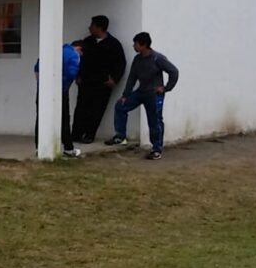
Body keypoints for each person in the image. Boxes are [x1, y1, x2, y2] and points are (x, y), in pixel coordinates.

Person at [104, 32, 179, 160]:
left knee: (155, 120)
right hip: (141, 92)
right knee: (120, 106)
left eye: (136, 44)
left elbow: (174, 71)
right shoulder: (137, 59)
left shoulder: (157, 58)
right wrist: (125, 95)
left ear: (144, 45)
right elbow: (132, 78)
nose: (134, 46)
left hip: (154, 95)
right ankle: (120, 136)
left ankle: (156, 149)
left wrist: (166, 88)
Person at [71, 15, 126, 144]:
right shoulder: (87, 42)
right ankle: (76, 134)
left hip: (103, 84)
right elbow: (78, 59)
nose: (89, 28)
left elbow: (121, 63)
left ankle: (90, 135)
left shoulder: (113, 44)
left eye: (92, 26)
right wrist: (77, 75)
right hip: (86, 81)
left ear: (99, 27)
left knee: (97, 110)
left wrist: (114, 79)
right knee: (81, 108)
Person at [34, 41, 84, 157]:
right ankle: (68, 148)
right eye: (82, 54)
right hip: (59, 90)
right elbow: (72, 74)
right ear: (79, 49)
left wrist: (41, 85)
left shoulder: (55, 49)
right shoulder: (74, 55)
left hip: (42, 90)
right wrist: (65, 87)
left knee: (41, 117)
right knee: (64, 118)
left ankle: (39, 148)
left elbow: (37, 68)